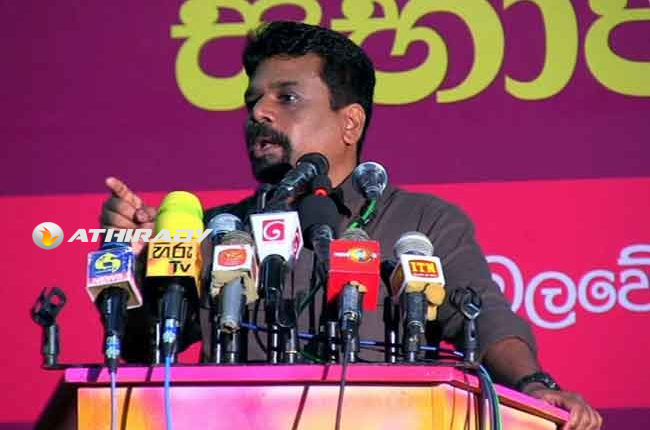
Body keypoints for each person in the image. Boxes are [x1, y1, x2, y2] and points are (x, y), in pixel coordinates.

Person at [101, 21, 602, 430]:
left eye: (286, 98)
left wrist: (534, 383)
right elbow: (146, 350)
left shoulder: (421, 222)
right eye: (253, 101)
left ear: (350, 123)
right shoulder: (219, 230)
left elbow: (484, 317)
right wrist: (144, 264)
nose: (260, 113)